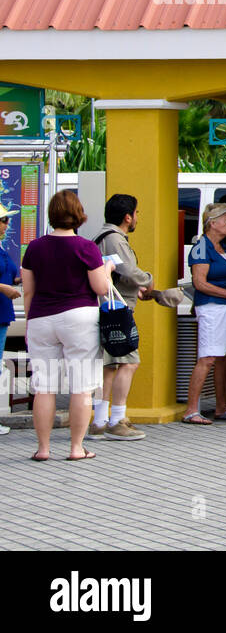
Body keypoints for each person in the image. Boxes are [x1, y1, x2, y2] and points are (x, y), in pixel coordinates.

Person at [21, 190, 111, 461]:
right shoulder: (87, 248)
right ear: (79, 215)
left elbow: (28, 291)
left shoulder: (34, 247)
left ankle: (44, 449)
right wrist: (106, 270)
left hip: (41, 318)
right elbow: (100, 288)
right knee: (81, 386)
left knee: (44, 387)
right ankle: (76, 448)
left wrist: (30, 324)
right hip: (80, 318)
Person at [90, 193, 184, 440]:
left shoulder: (103, 237)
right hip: (117, 311)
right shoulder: (114, 239)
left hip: (109, 307)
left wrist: (138, 289)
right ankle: (117, 419)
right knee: (130, 363)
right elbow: (127, 271)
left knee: (111, 366)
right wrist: (147, 280)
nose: (138, 217)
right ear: (127, 217)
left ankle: (100, 421)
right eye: (137, 213)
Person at [183, 202, 226, 424]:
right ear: (213, 223)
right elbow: (200, 282)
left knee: (225, 357)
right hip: (212, 306)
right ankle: (191, 409)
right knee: (208, 356)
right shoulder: (201, 247)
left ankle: (222, 406)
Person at [0, 207, 20, 437]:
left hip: (3, 316)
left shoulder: (2, 249)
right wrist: (4, 287)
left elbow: (9, 275)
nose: (6, 225)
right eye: (3, 220)